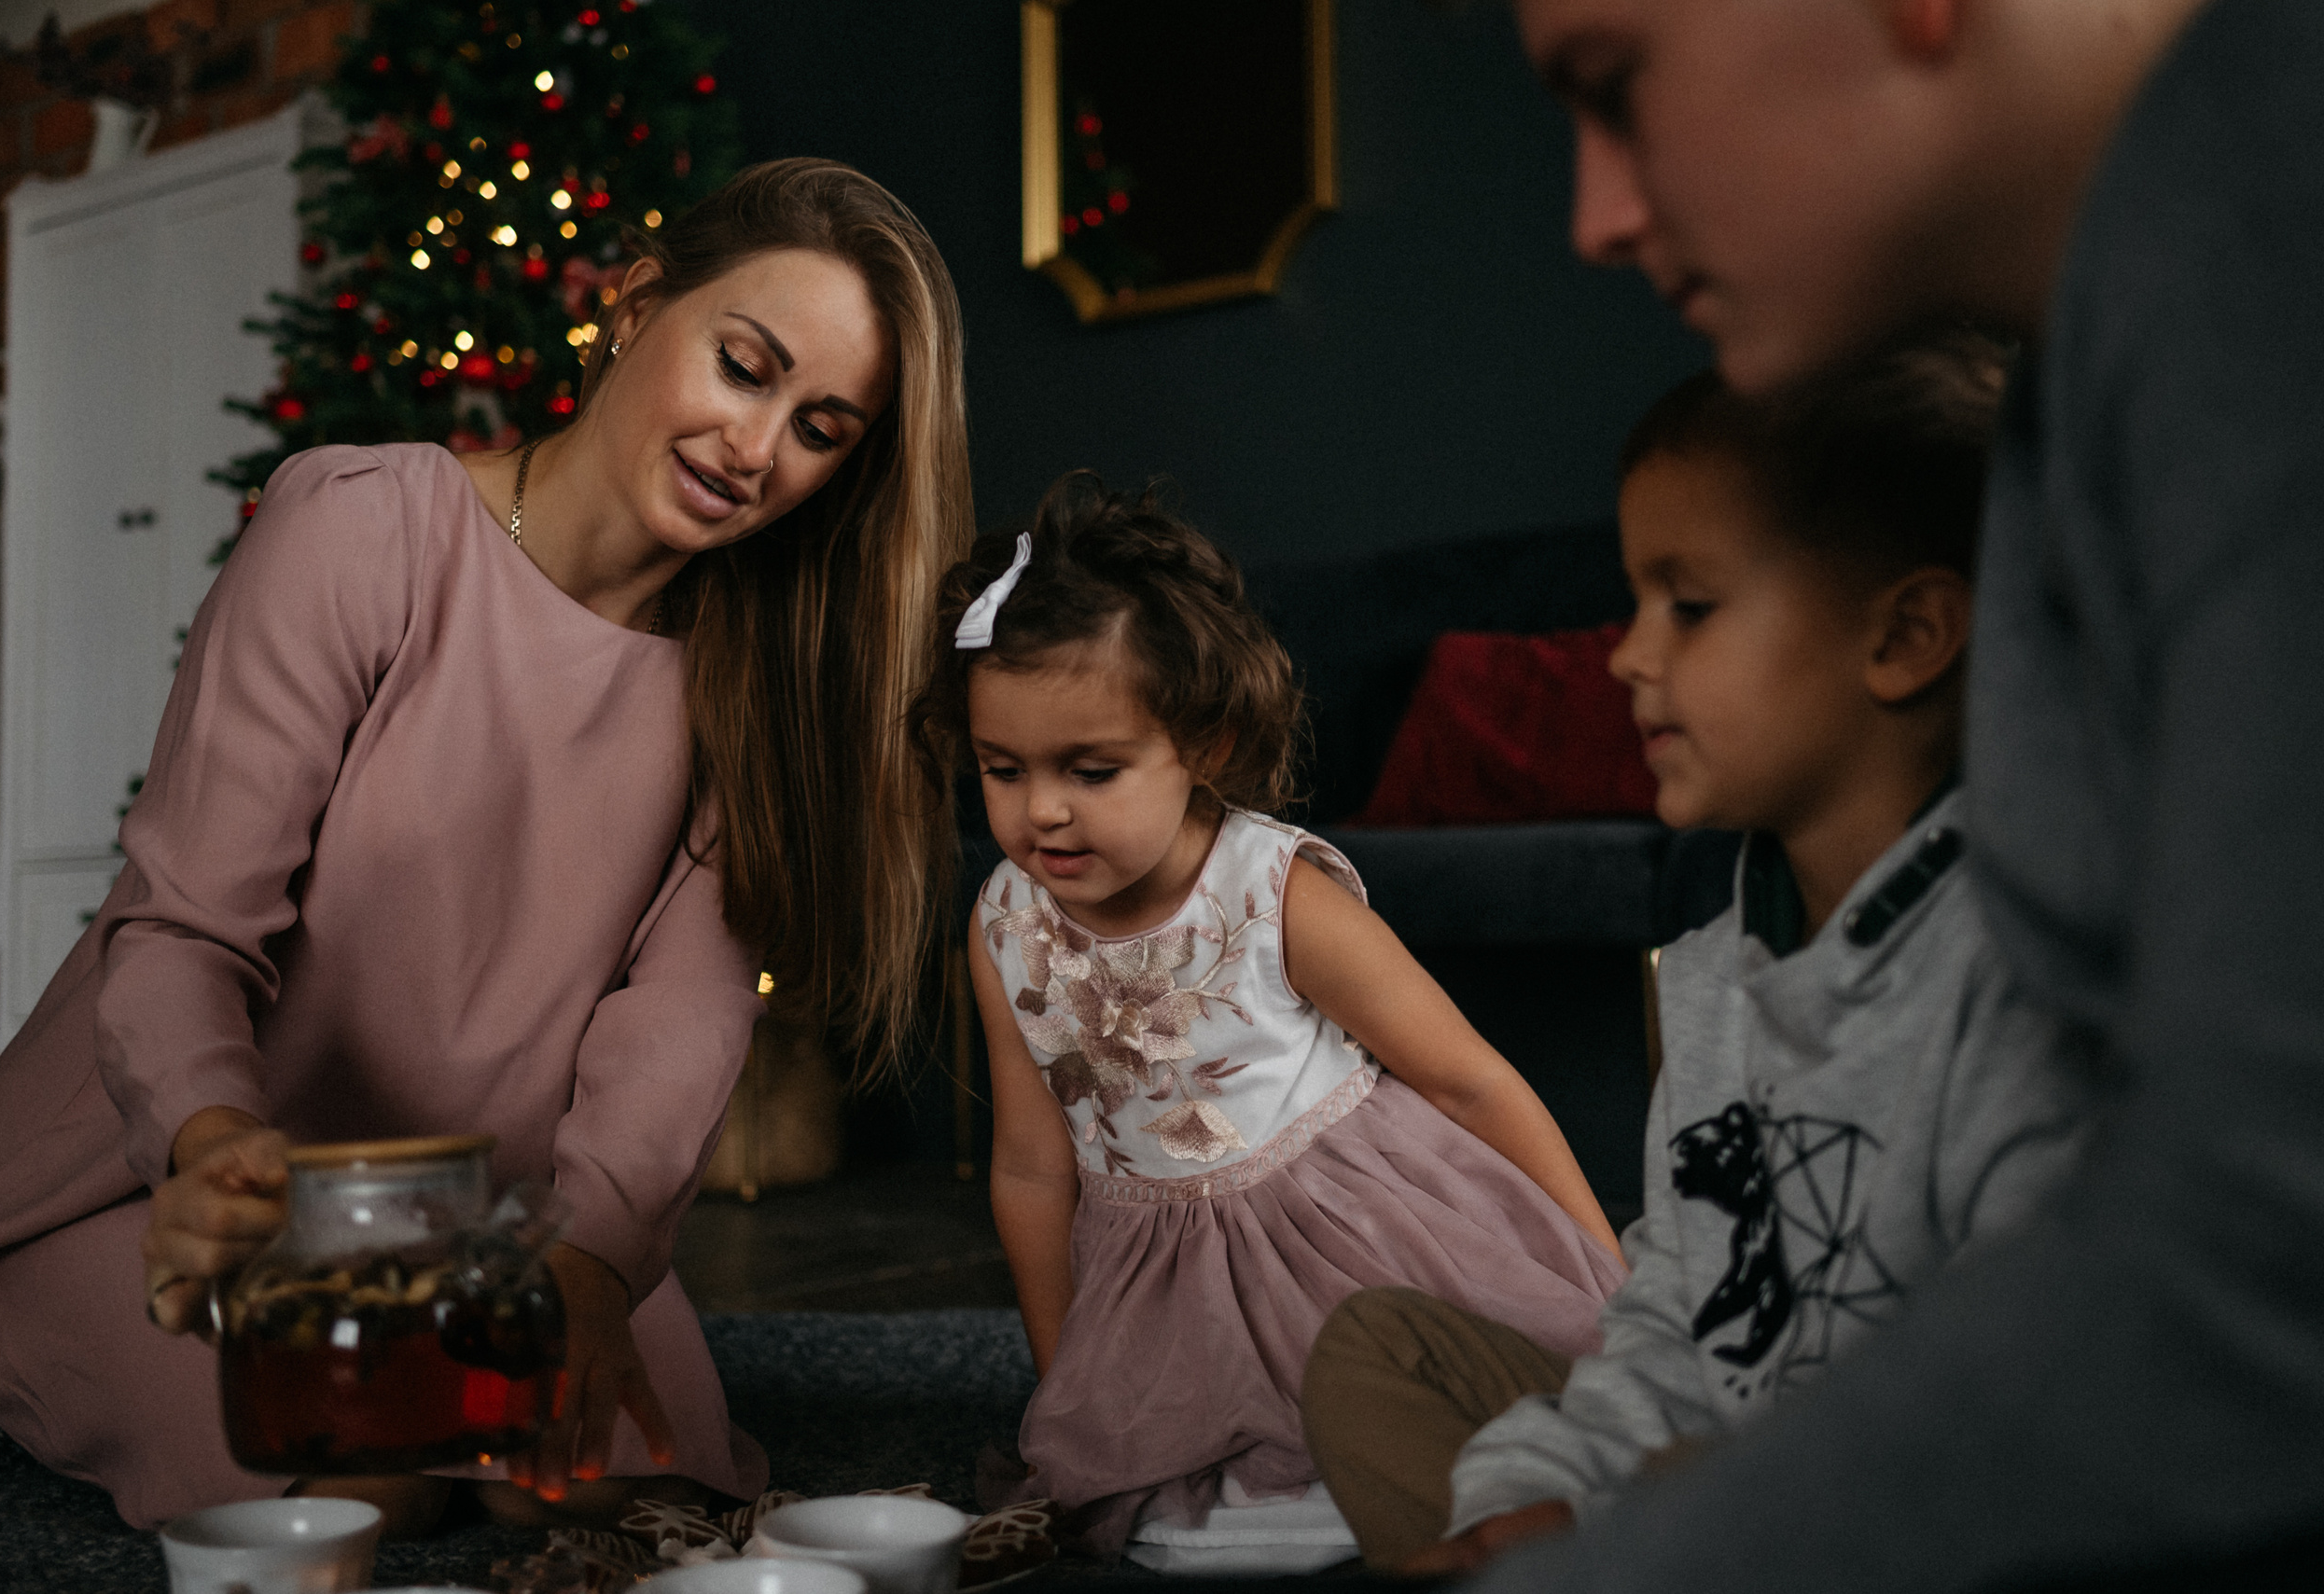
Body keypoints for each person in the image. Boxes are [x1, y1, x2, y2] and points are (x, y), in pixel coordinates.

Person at [0, 157, 972, 1534]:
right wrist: (213, 1141)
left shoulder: (755, 689)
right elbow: (185, 923)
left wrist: (593, 1261)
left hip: (491, 1222)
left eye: (822, 427)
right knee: (363, 1472)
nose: (755, 446)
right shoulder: (361, 530)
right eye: (743, 367)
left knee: (628, 1489)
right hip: (170, 1179)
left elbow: (680, 1022)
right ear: (635, 304)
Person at [1467, 0, 2324, 1587]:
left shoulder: (2263, 237)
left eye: (1614, 83)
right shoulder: (2123, 336)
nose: (1596, 217)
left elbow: (2261, 1249)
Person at [1303, 332, 2093, 1572]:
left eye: (1691, 604)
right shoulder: (1719, 971)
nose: (1626, 652)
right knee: (1374, 1355)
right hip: (1724, 1450)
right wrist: (1536, 1492)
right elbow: (1668, 1320)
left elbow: (2030, 1408)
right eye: (1636, 602)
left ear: (1905, 637)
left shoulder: (2014, 965)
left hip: (1911, 1498)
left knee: (1695, 1484)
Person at [912, 473, 1627, 1557]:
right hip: (1156, 1273)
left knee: (1423, 1443)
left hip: (1342, 1240)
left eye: (1090, 768)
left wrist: (1601, 1271)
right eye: (1001, 769)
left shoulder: (1274, 890)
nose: (1040, 808)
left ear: (1198, 743)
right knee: (1166, 1513)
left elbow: (1464, 1077)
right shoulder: (1005, 920)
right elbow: (1028, 1163)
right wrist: (1069, 1392)